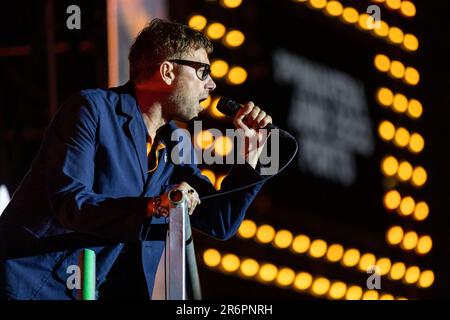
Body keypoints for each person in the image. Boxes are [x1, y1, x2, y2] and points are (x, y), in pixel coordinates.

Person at [0, 19, 273, 300]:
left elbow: (219, 220)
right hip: (28, 283)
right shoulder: (91, 109)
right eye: (203, 71)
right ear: (167, 71)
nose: (211, 84)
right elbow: (70, 203)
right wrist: (154, 206)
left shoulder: (175, 141)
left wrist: (250, 159)